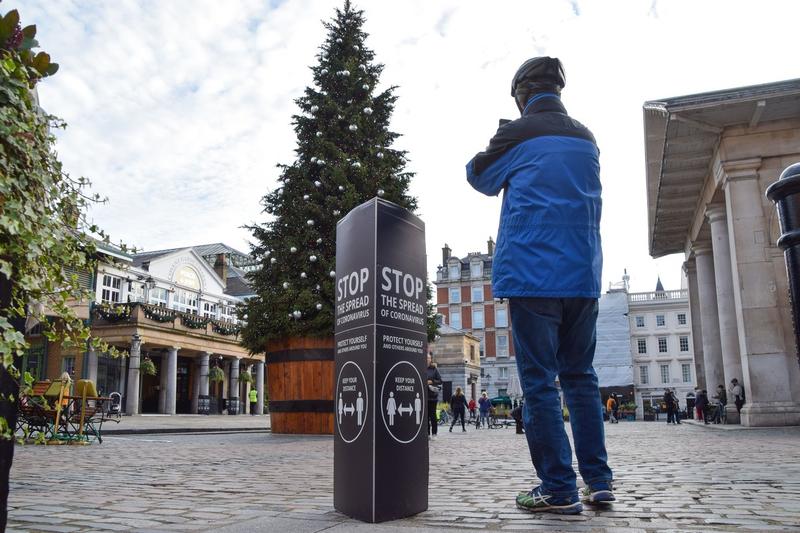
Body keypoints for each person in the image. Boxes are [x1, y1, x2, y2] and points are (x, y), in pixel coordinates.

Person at [467, 56, 612, 514]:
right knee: (581, 379)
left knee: (540, 383)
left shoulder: (517, 133)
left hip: (534, 276)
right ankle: (599, 481)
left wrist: (499, 136)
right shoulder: (586, 137)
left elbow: (478, 176)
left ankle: (558, 489)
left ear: (521, 94)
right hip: (583, 275)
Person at [426, 353, 442, 439]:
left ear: (430, 359)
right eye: (425, 358)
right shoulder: (420, 367)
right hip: (423, 396)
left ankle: (434, 433)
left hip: (432, 396)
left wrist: (431, 381)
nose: (427, 359)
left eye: (428, 358)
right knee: (425, 417)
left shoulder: (434, 369)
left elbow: (440, 381)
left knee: (433, 416)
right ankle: (427, 433)